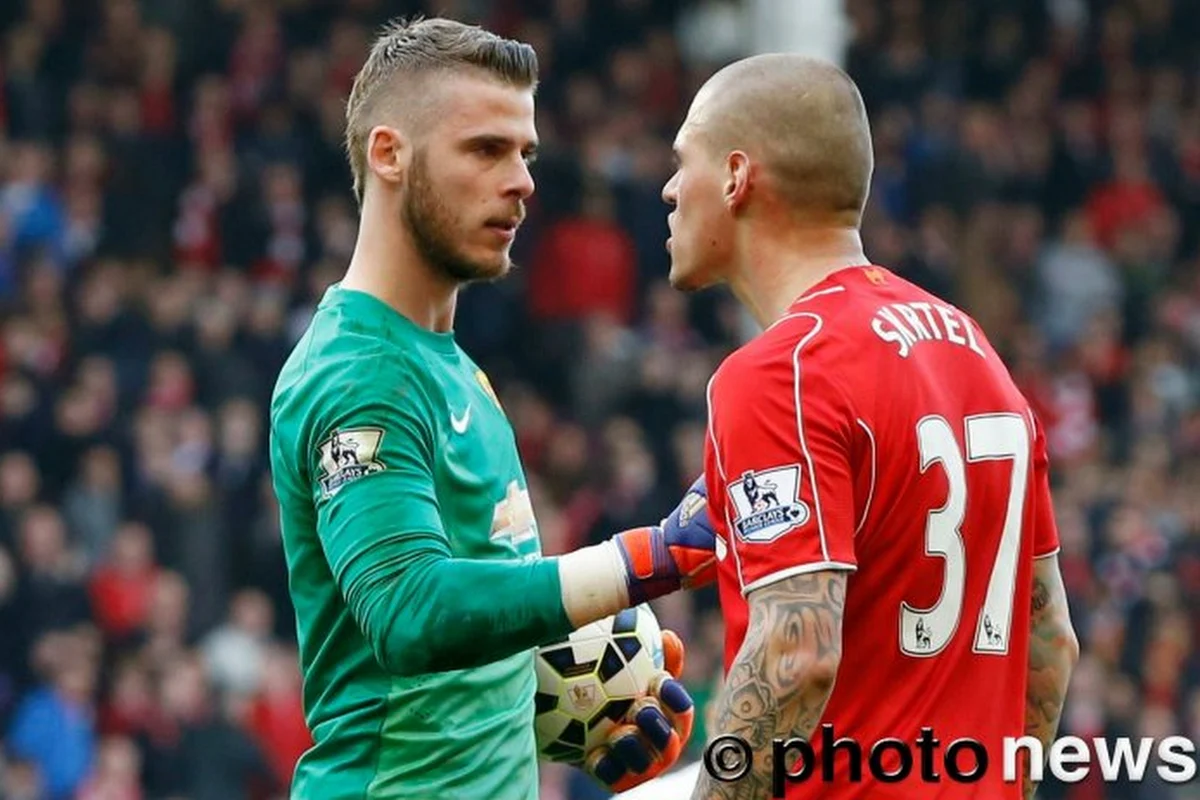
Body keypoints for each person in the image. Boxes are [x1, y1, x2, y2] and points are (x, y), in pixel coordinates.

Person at [268, 17, 717, 800]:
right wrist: (637, 562)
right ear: (389, 155)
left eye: (526, 154)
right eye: (485, 149)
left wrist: (584, 699)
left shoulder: (450, 366)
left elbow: (437, 657)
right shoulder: (358, 376)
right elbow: (408, 608)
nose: (522, 181)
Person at [661, 54, 1080, 799]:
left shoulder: (781, 372)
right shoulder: (975, 348)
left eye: (680, 161)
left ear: (735, 177)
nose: (667, 190)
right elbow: (1050, 643)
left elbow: (796, 657)